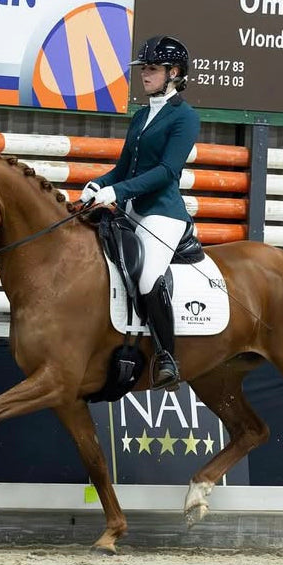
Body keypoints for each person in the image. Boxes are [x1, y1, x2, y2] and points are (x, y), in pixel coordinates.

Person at [79, 35, 200, 392]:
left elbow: (166, 171)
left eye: (151, 69)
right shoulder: (142, 115)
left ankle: (167, 357)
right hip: (131, 209)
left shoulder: (185, 117)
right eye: (143, 69)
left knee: (147, 276)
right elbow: (122, 169)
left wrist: (117, 192)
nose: (144, 75)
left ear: (173, 73)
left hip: (162, 213)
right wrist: (96, 184)